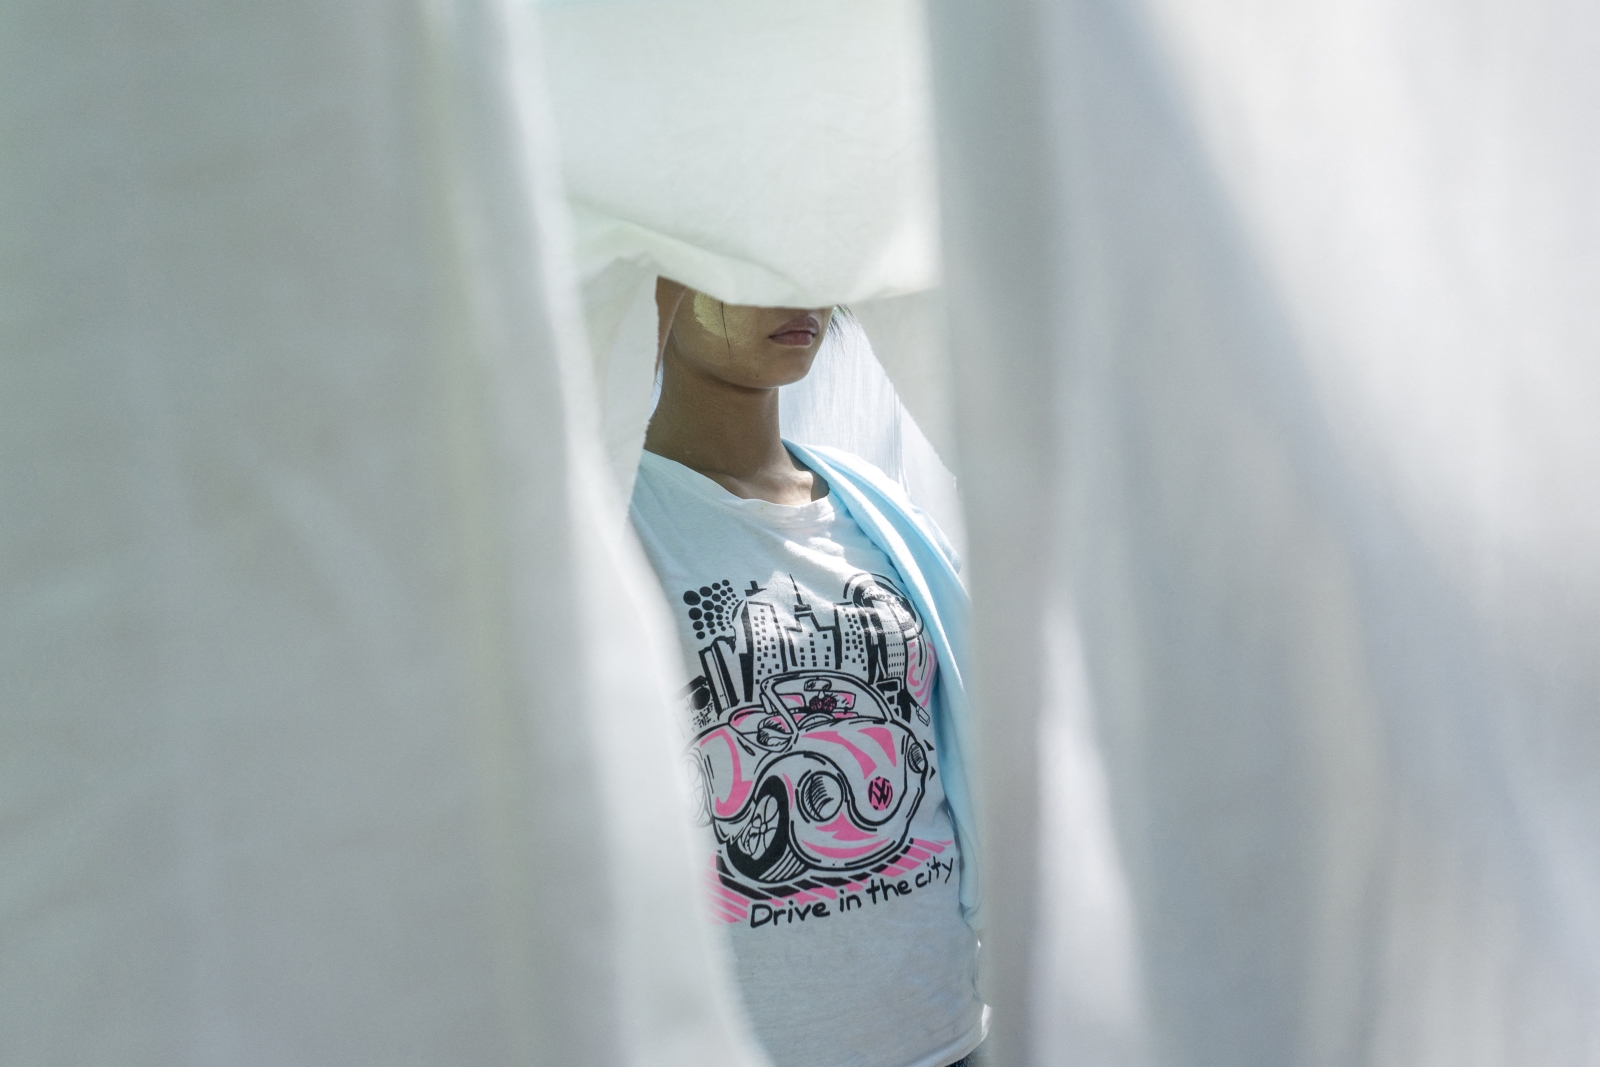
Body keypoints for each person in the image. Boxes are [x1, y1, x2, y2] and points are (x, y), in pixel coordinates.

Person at [629, 279, 986, 1067]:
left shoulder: (877, 509)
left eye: (806, 257)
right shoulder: (614, 512)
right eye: (744, 265)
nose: (797, 289)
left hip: (945, 1035)